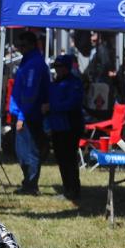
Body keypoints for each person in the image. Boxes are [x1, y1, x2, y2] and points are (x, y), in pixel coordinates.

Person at [11, 31, 50, 195]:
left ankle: (31, 185)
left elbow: (30, 92)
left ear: (31, 45)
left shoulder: (34, 64)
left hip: (29, 115)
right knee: (22, 151)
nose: (20, 49)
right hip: (25, 113)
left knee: (28, 152)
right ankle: (28, 182)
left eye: (23, 46)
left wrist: (21, 116)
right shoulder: (29, 61)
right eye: (19, 46)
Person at [46, 54, 83, 202]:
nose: (58, 69)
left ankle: (73, 190)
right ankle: (67, 188)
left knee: (69, 160)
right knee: (61, 159)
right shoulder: (56, 82)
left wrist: (51, 107)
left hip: (70, 127)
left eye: (60, 66)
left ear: (67, 67)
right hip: (57, 127)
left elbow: (72, 104)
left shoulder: (74, 83)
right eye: (56, 66)